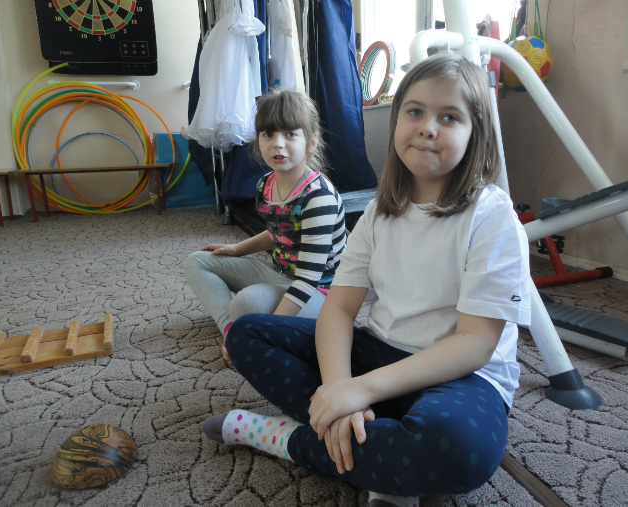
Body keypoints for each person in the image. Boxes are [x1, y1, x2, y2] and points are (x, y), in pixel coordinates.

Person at [201, 53, 532, 506]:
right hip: (378, 352)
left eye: (449, 117)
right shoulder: (378, 212)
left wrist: (357, 390)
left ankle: (288, 439)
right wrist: (341, 388)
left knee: (460, 452)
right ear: (398, 121)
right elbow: (338, 309)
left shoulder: (493, 217)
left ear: (476, 133)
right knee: (246, 333)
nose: (427, 128)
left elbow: (474, 345)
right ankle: (378, 448)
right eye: (415, 111)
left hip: (463, 377)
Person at [184, 90, 346, 362]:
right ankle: (231, 330)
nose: (277, 144)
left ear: (311, 142)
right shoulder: (266, 184)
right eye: (268, 134)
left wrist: (270, 330)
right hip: (280, 275)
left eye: (290, 134)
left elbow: (307, 280)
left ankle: (251, 329)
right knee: (198, 261)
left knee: (247, 302)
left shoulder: (319, 198)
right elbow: (278, 232)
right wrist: (237, 249)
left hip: (321, 295)